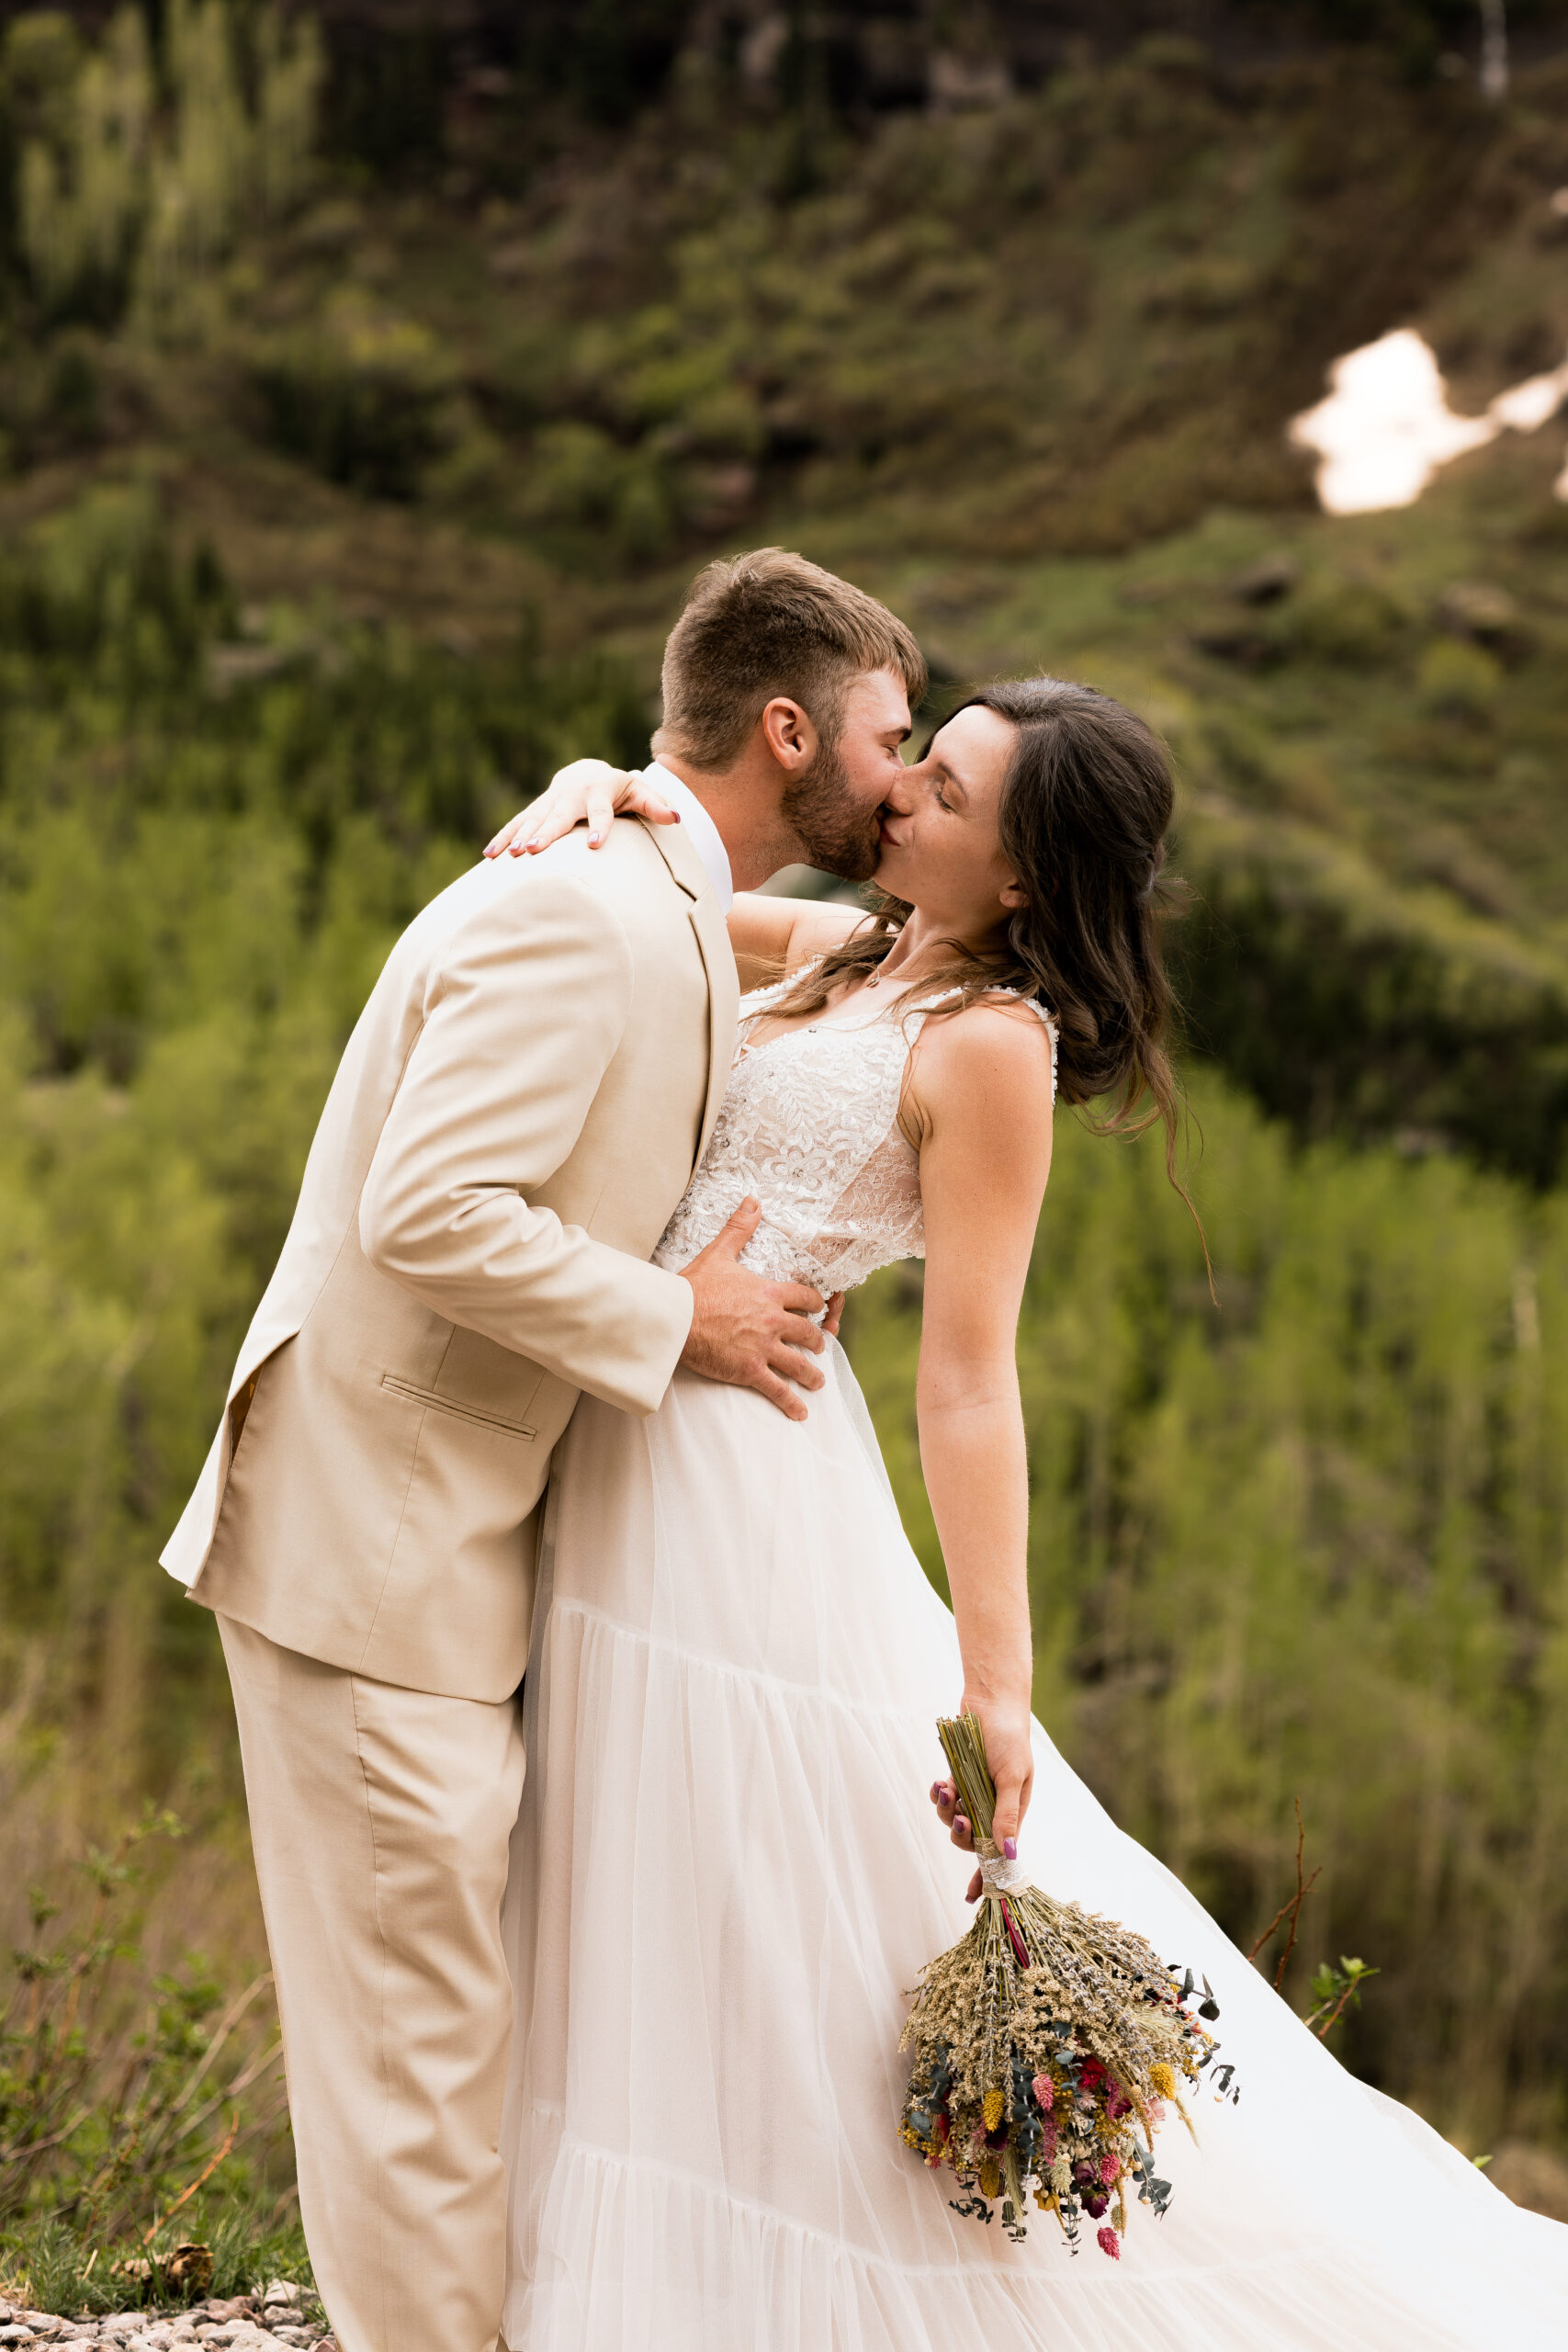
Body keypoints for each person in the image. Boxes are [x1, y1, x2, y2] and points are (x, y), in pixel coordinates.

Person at [483, 680, 1568, 2350]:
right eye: (923, 753)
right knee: (640, 1872)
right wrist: (594, 783)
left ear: (1022, 882)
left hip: (748, 1479)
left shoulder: (986, 1044)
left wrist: (1000, 1682)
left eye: (951, 786)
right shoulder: (856, 949)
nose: (900, 787)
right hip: (631, 1437)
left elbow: (972, 1380)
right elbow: (670, 884)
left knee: (756, 1890)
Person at [157, 548, 928, 2352]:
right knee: (418, 2061)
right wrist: (688, 1327)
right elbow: (425, 1208)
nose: (898, 781)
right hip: (371, 1545)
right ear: (789, 727)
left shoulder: (641, 874)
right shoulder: (577, 907)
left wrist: (612, 784)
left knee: (455, 2029)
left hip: (461, 1542)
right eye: (892, 738)